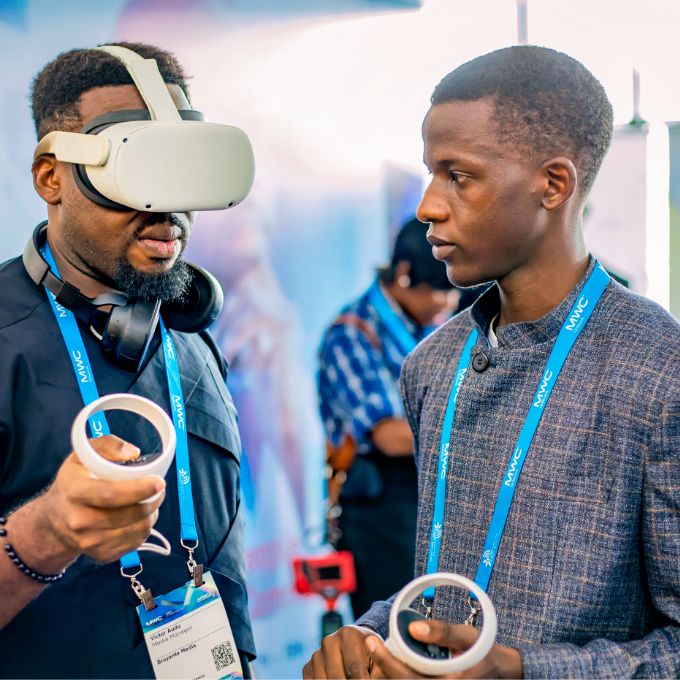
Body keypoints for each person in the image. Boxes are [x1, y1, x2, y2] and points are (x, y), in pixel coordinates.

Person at [304, 46, 680, 679]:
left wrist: (525, 672)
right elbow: (443, 581)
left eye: (458, 175)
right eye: (430, 174)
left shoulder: (659, 369)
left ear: (553, 185)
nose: (428, 205)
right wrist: (370, 635)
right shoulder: (432, 364)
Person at [0, 43, 255, 677]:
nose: (165, 208)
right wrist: (45, 534)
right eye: (136, 168)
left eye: (183, 170)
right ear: (52, 177)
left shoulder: (187, 334)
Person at [317, 217, 463, 619]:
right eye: (437, 290)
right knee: (395, 630)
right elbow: (389, 436)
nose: (447, 303)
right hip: (380, 506)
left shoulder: (428, 327)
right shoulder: (353, 333)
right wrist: (472, 438)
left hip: (423, 494)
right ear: (403, 275)